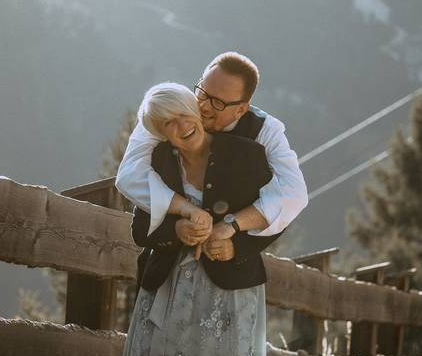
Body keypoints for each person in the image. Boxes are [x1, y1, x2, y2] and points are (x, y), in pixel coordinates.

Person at [114, 82, 284, 356]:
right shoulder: (159, 161)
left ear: (196, 110)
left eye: (182, 115)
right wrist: (175, 231)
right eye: (167, 125)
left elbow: (278, 214)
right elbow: (140, 229)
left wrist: (235, 240)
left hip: (228, 297)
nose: (180, 127)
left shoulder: (247, 154)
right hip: (166, 290)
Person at [116, 51, 308, 269]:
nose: (204, 106)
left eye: (217, 102)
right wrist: (185, 213)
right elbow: (130, 174)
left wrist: (233, 228)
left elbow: (293, 194)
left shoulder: (266, 131)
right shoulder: (171, 110)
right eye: (203, 92)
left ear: (241, 110)